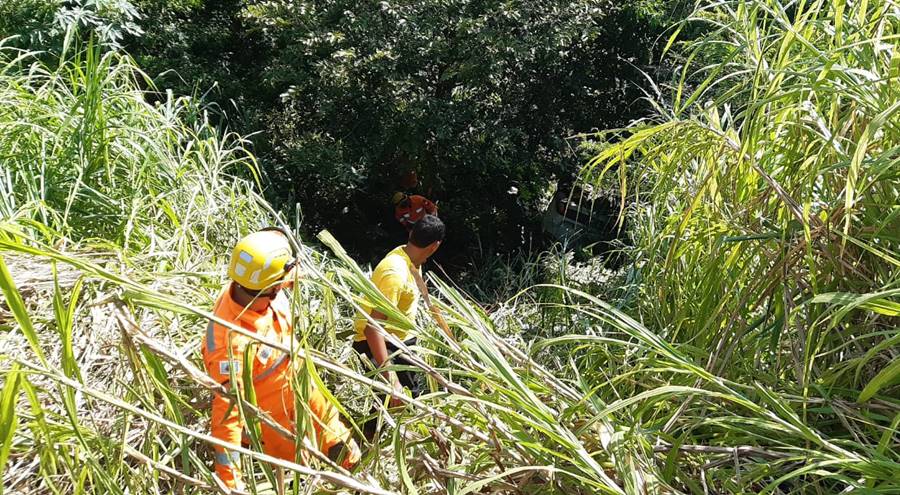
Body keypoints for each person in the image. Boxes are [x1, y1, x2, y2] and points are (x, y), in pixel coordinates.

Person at [202, 228, 359, 490]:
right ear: (271, 287)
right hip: (278, 428)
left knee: (348, 455)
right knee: (301, 481)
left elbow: (285, 272)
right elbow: (226, 419)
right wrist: (231, 483)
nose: (287, 285)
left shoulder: (255, 287)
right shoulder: (229, 346)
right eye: (281, 283)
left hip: (310, 399)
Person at [352, 215, 445, 435]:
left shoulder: (410, 259)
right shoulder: (395, 272)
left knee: (405, 405)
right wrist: (391, 378)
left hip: (399, 343)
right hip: (380, 347)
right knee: (387, 408)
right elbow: (372, 328)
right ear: (434, 247)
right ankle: (363, 456)